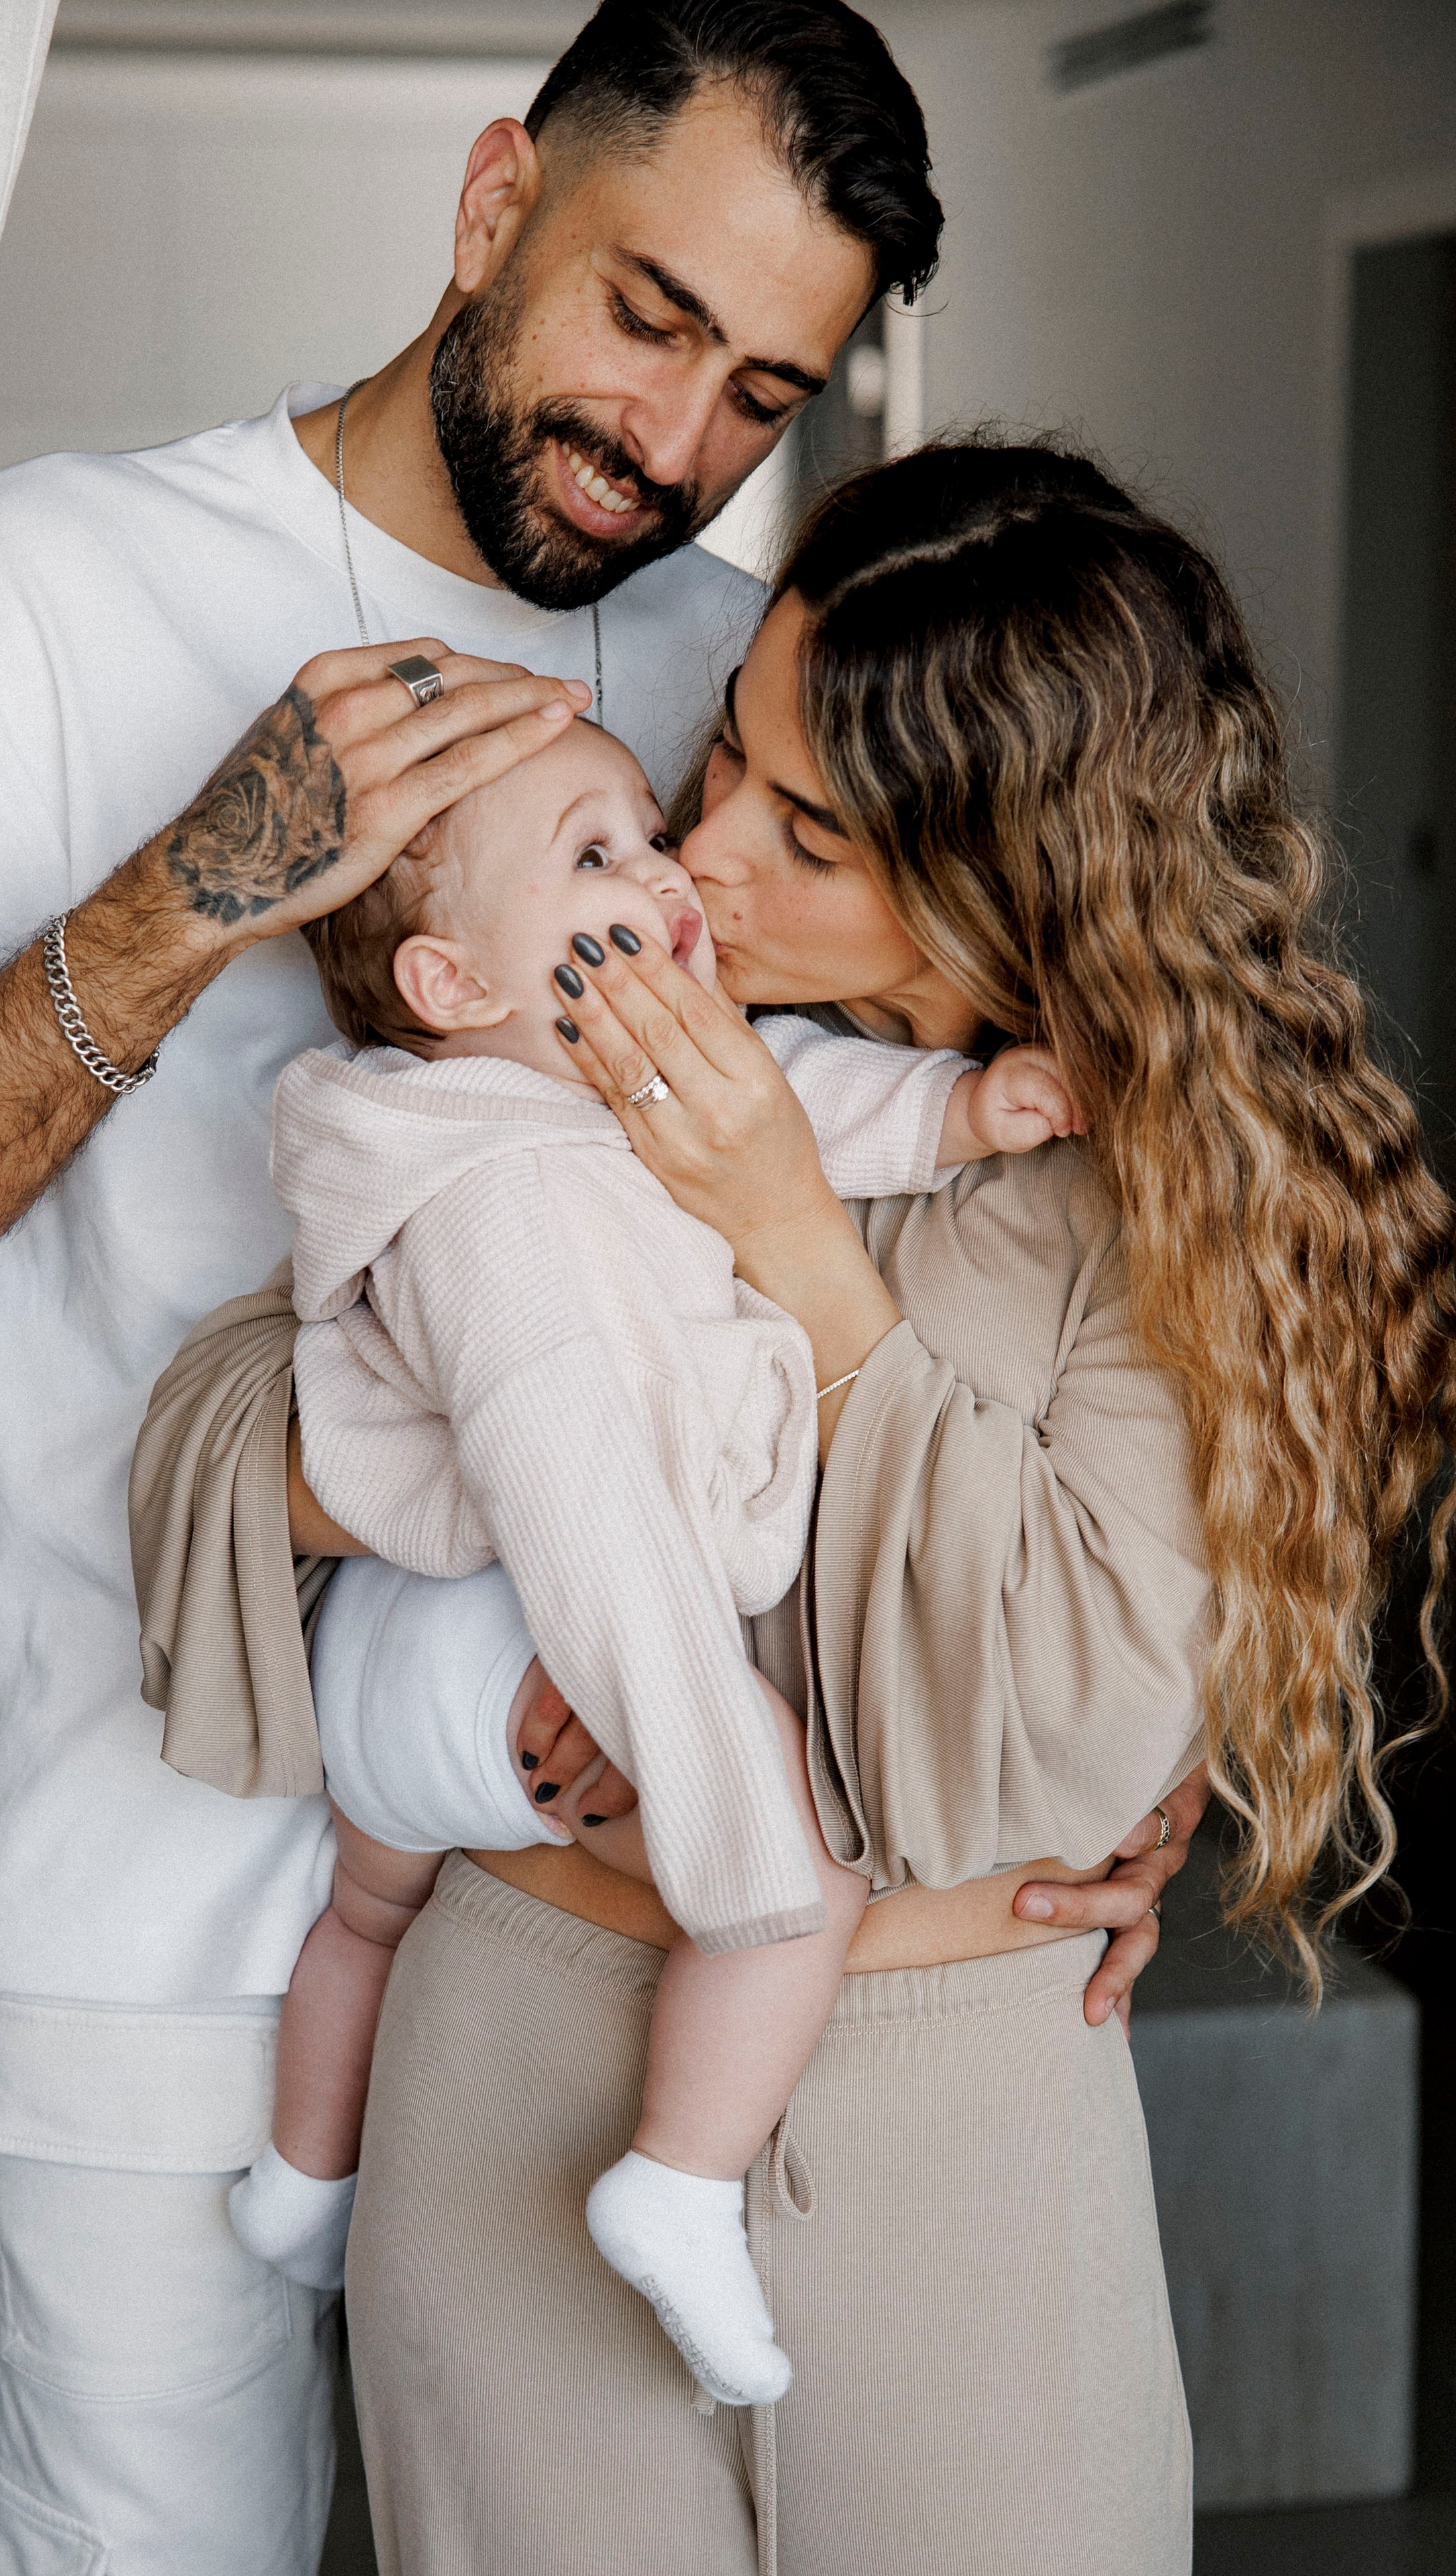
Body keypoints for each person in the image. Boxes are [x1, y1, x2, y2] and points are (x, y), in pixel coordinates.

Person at [0, 7, 956, 2566]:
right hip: (147, 1898)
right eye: (646, 315)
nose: (673, 445)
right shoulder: (56, 583)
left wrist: (1088, 1709)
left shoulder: (748, 695)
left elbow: (888, 1201)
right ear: (495, 197)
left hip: (598, 1925)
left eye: (764, 389)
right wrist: (194, 887)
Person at [135, 439, 1452, 2575]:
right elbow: (209, 1439)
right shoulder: (570, 1033)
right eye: (723, 756)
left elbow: (1064, 1725)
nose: (700, 850)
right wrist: (504, 1602)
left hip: (961, 2124)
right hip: (522, 2067)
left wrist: (793, 1241)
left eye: (805, 830)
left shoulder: (1163, 1199)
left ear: (1009, 881)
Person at [197, 716, 1082, 2406]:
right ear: (457, 987)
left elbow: (789, 1102)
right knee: (794, 1878)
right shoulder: (502, 1205)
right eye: (596, 859)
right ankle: (676, 2180)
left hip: (406, 1667)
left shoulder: (573, 1076)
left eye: (639, 830)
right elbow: (586, 1516)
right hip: (512, 1651)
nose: (668, 869)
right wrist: (717, 1806)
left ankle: (302, 2184)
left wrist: (968, 1108)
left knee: (360, 1924)